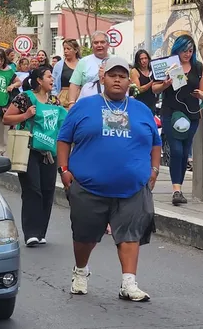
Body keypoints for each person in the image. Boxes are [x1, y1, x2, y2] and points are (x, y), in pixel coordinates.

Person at [57, 56, 160, 302]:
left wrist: (154, 170)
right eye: (112, 75)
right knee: (84, 236)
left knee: (130, 234)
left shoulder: (140, 109)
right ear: (102, 79)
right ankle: (80, 271)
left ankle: (129, 283)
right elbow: (64, 139)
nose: (117, 80)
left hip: (132, 188)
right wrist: (64, 169)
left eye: (122, 76)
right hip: (88, 187)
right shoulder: (84, 106)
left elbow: (155, 142)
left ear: (129, 81)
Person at [3, 65, 64, 246]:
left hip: (49, 152)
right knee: (32, 190)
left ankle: (41, 232)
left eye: (53, 77)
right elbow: (6, 119)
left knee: (47, 191)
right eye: (49, 76)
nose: (52, 80)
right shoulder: (25, 98)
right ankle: (31, 232)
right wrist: (26, 115)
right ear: (39, 80)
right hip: (28, 150)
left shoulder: (54, 101)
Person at [156, 35, 203, 206]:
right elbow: (155, 88)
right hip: (171, 112)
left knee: (185, 152)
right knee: (176, 150)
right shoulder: (168, 64)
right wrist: (165, 84)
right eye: (184, 50)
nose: (187, 54)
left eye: (190, 50)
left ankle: (180, 187)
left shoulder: (199, 67)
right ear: (177, 49)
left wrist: (201, 95)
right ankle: (176, 189)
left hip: (192, 113)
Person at [68, 31, 111, 104]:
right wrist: (71, 103)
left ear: (108, 44)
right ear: (92, 45)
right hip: (87, 103)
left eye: (102, 42)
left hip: (111, 103)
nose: (99, 45)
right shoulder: (83, 62)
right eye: (96, 43)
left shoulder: (116, 60)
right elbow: (74, 84)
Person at [53, 38, 81, 107]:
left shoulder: (82, 63)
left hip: (79, 96)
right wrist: (55, 97)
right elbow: (53, 83)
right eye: (64, 49)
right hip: (63, 97)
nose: (65, 51)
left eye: (68, 49)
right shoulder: (59, 65)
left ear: (75, 50)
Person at [130, 49, 158, 114]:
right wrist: (152, 82)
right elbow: (139, 89)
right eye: (141, 59)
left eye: (145, 58)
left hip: (152, 102)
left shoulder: (152, 69)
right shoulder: (134, 71)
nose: (144, 61)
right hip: (140, 103)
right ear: (137, 61)